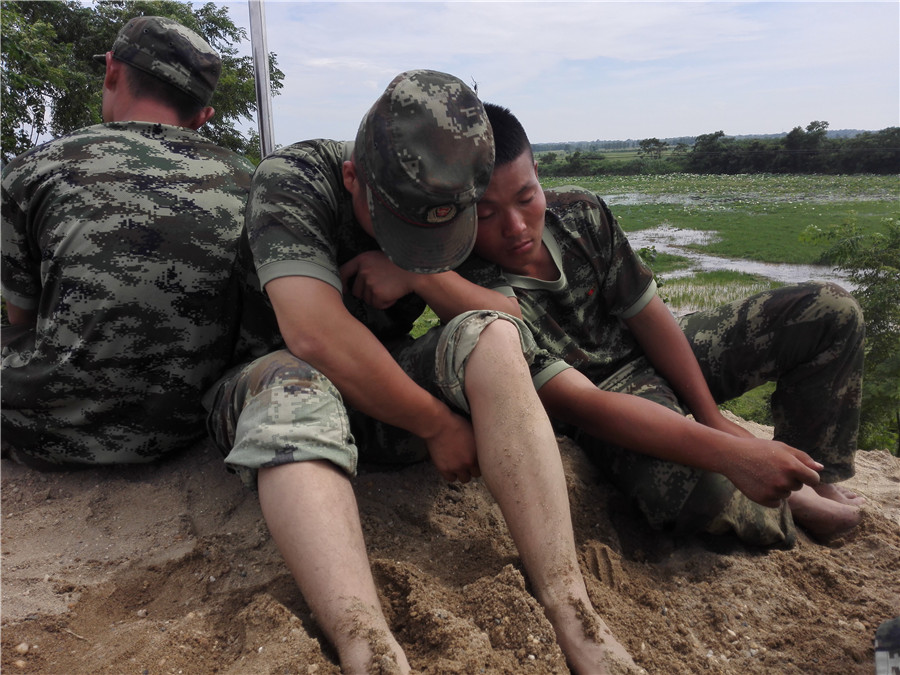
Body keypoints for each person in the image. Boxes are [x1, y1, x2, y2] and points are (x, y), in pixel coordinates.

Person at [206, 70, 640, 674]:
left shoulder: (452, 190)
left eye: (433, 234)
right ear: (354, 176)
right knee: (294, 380)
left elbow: (511, 313)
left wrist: (417, 272)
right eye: (401, 232)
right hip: (269, 395)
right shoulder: (297, 179)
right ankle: (370, 649)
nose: (421, 242)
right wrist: (434, 423)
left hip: (376, 398)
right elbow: (312, 332)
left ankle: (573, 611)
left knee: (490, 337)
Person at [471, 102, 866, 548]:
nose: (516, 226)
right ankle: (796, 504)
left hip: (649, 353)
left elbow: (648, 316)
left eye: (527, 197)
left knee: (829, 310)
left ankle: (817, 474)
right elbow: (583, 407)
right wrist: (733, 451)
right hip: (603, 402)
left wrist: (711, 416)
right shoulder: (469, 280)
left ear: (538, 174)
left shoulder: (579, 213)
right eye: (486, 214)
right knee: (701, 494)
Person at [1, 16, 259, 467]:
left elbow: (22, 321)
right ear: (203, 117)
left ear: (112, 71)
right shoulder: (249, 180)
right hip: (184, 425)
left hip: (43, 431)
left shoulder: (32, 170)